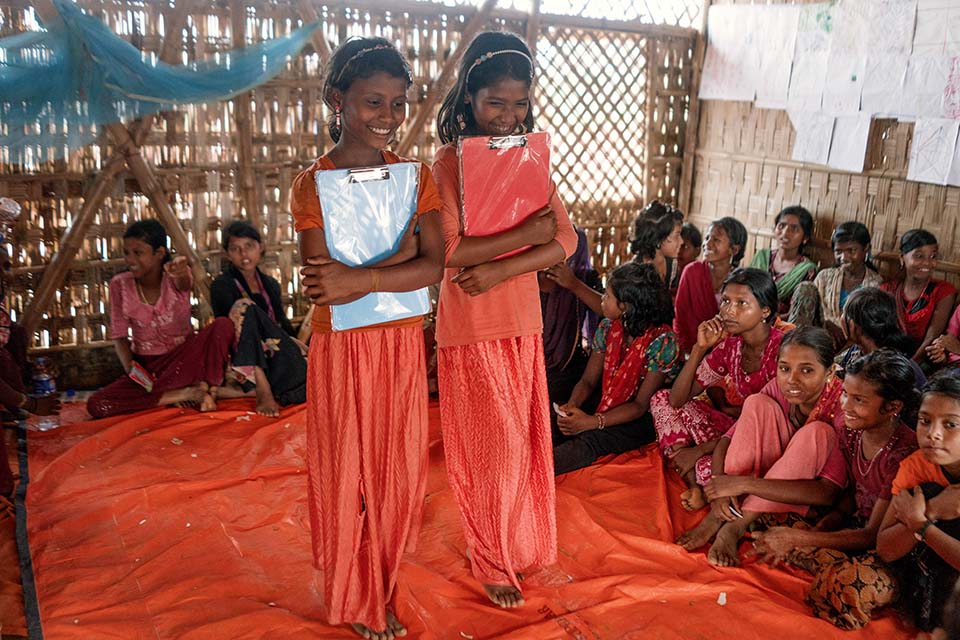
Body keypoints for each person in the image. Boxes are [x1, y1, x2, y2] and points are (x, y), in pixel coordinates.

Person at [290, 37, 445, 640]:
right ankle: (357, 596)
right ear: (337, 100)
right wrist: (397, 256)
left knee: (396, 475)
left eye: (398, 103)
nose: (387, 116)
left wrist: (370, 274)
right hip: (342, 348)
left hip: (400, 344)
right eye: (372, 102)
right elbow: (325, 287)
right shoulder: (313, 184)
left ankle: (379, 585)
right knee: (348, 470)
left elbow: (433, 267)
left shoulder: (417, 177)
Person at [433, 31, 577, 609]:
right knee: (485, 450)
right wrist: (525, 238)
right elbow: (445, 249)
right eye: (496, 103)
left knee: (520, 446)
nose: (508, 115)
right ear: (470, 98)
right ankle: (490, 558)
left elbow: (564, 238)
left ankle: (516, 543)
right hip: (469, 329)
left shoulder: (529, 158)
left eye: (519, 104)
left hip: (521, 322)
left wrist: (496, 268)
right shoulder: (447, 165)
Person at [752, 350, 919, 629]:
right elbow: (847, 499)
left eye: (859, 400)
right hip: (852, 530)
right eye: (845, 395)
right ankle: (822, 560)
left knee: (848, 584)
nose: (846, 405)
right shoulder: (852, 432)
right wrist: (818, 531)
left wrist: (801, 540)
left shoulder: (903, 455)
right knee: (774, 514)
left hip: (888, 551)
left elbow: (872, 536)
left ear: (892, 408)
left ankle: (830, 569)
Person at [677, 327, 847, 567]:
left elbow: (828, 493)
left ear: (830, 372)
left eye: (806, 370)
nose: (792, 380)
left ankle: (735, 527)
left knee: (818, 433)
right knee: (756, 403)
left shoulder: (842, 409)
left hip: (800, 495)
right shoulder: (778, 388)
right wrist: (720, 488)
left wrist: (744, 484)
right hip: (766, 478)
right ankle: (720, 514)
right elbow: (728, 439)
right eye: (785, 368)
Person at [651, 268, 783, 511]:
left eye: (741, 303)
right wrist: (700, 348)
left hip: (765, 441)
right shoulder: (729, 347)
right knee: (660, 398)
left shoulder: (783, 350)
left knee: (715, 468)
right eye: (725, 301)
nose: (729, 311)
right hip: (732, 433)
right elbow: (677, 399)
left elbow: (770, 427)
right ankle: (694, 484)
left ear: (765, 310)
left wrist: (699, 450)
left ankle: (697, 478)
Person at [87, 220, 235, 418]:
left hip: (186, 358)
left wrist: (181, 273)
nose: (130, 259)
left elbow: (184, 284)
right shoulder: (119, 284)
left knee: (223, 326)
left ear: (159, 253)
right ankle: (182, 394)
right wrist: (135, 373)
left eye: (138, 253)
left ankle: (199, 387)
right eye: (127, 253)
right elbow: (119, 335)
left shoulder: (176, 275)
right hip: (150, 369)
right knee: (97, 404)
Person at [552, 262, 678, 475]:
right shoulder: (608, 327)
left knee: (591, 441)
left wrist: (592, 422)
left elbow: (639, 405)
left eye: (607, 296)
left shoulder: (663, 342)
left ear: (625, 306)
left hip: (639, 417)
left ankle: (537, 470)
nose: (602, 299)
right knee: (555, 420)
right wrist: (572, 407)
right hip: (608, 398)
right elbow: (588, 381)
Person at [877, 374, 960, 633]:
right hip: (927, 572)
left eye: (951, 425)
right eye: (925, 421)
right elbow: (885, 548)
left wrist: (922, 526)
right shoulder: (916, 466)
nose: (933, 434)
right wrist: (931, 512)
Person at [210, 220, 306, 415]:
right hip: (242, 355)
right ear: (228, 254)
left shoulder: (270, 283)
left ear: (260, 247)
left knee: (310, 371)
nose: (244, 254)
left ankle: (244, 391)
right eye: (235, 249)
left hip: (272, 346)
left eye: (249, 246)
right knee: (245, 308)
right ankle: (262, 386)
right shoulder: (221, 285)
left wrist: (295, 344)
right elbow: (229, 329)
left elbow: (280, 321)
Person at [789, 221, 882, 345]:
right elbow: (812, 311)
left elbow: (869, 329)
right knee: (805, 288)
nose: (843, 257)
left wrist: (844, 333)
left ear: (866, 249)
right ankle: (794, 345)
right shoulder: (825, 276)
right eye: (838, 251)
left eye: (851, 250)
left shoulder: (875, 285)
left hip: (851, 343)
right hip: (816, 335)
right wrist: (828, 323)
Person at [538, 227, 601, 403]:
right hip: (531, 365)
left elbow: (607, 309)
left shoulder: (585, 277)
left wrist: (574, 284)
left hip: (569, 369)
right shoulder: (529, 277)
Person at [673, 216, 748, 354]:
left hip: (725, 353)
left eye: (716, 240)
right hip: (690, 348)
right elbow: (681, 316)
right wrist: (685, 352)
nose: (707, 244)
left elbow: (742, 324)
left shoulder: (741, 281)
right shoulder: (692, 272)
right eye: (707, 237)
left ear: (734, 249)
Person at [881, 229, 957, 365]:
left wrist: (910, 367)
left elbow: (932, 337)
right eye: (919, 256)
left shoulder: (943, 292)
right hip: (887, 358)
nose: (927, 263)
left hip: (922, 363)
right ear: (902, 258)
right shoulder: (887, 290)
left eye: (933, 257)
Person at [839, 287, 927, 395]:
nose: (841, 318)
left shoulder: (891, 367)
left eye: (844, 313)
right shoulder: (857, 349)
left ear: (854, 325)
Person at [749, 205, 817, 319]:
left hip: (781, 327)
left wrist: (772, 319)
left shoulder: (808, 270)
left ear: (805, 238)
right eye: (781, 226)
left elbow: (798, 312)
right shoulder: (761, 257)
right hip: (748, 318)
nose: (785, 233)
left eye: (794, 229)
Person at [632, 200, 683, 288]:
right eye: (676, 235)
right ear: (658, 238)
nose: (681, 241)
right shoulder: (636, 273)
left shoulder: (672, 264)